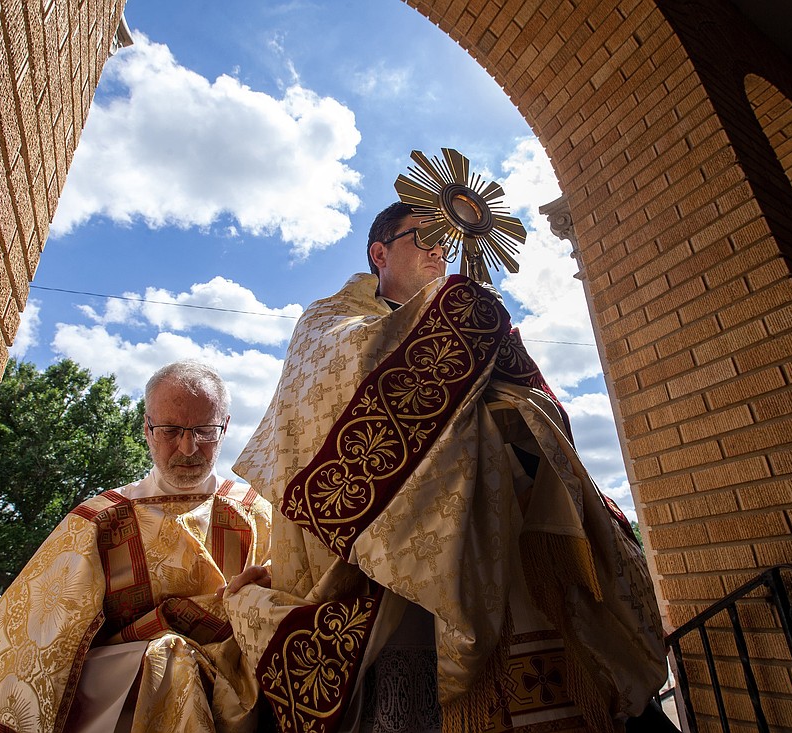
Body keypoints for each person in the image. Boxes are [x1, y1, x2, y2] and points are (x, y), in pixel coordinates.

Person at [225, 202, 671, 732]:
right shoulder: (328, 322)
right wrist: (462, 321)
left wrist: (508, 394)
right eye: (425, 236)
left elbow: (544, 410)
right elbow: (341, 388)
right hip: (391, 573)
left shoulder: (484, 322)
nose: (441, 247)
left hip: (510, 547)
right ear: (379, 252)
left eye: (447, 239)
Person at [0, 361, 272, 733]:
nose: (189, 447)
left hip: (243, 674)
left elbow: (301, 590)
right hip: (126, 682)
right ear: (147, 429)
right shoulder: (99, 520)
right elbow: (36, 638)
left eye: (205, 431)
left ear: (226, 427)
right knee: (168, 661)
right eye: (171, 430)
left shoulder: (259, 513)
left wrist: (271, 581)